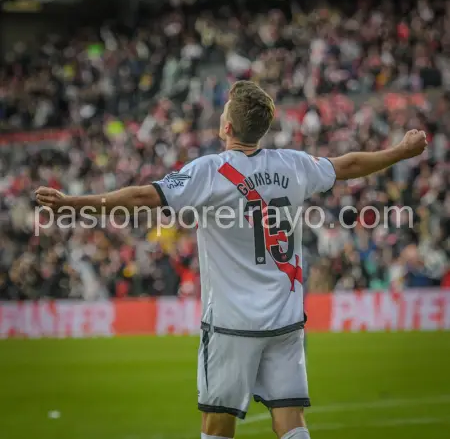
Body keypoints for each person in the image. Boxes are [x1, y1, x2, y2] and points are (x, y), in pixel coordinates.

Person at [35, 81, 428, 439]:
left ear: (227, 128)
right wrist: (401, 151)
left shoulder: (210, 172)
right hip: (286, 319)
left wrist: (73, 203)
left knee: (217, 425)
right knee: (290, 420)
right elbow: (348, 166)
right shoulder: (293, 165)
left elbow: (141, 198)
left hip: (231, 326)